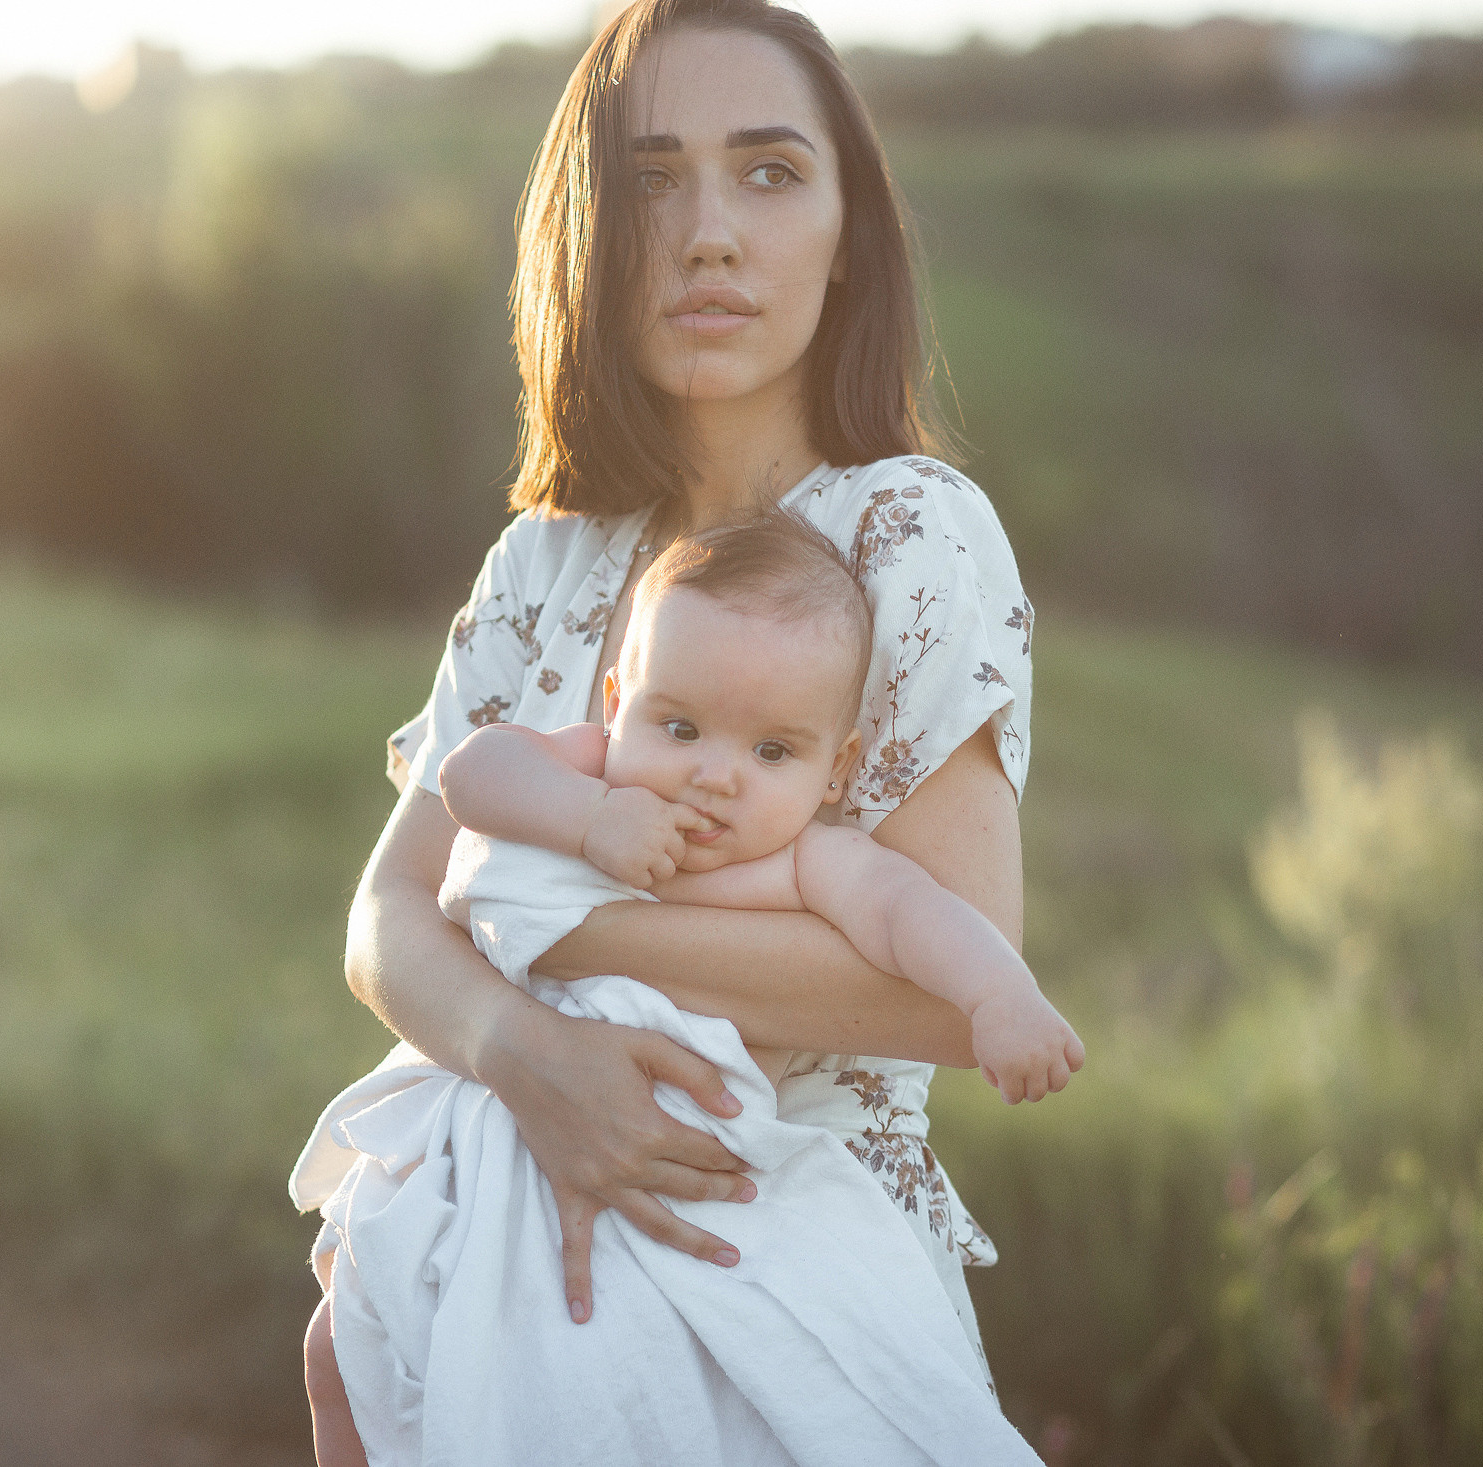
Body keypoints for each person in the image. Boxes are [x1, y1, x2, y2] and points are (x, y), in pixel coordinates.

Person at [302, 0, 1051, 1458]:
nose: (708, 231)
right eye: (652, 179)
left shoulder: (911, 531)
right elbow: (384, 916)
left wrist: (549, 925)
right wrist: (525, 1050)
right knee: (351, 1337)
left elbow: (944, 978)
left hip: (772, 1227)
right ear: (589, 228)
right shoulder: (552, 552)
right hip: (517, 1200)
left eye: (769, 172)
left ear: (848, 236)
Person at [290, 516, 1081, 1462]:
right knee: (345, 1344)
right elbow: (472, 773)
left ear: (840, 768)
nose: (716, 775)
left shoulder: (811, 862)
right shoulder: (597, 771)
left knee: (623, 1388)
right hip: (503, 1117)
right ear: (620, 702)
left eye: (773, 752)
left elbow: (916, 917)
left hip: (676, 1171)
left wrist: (1001, 996)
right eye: (680, 727)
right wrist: (590, 818)